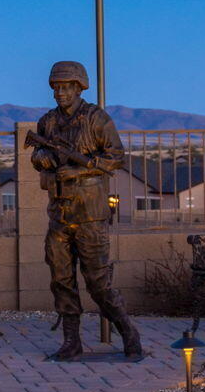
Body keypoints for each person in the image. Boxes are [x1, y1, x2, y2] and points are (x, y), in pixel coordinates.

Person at [27, 60, 143, 361]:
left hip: (90, 214)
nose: (60, 93)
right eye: (56, 87)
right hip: (60, 214)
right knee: (61, 280)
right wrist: (45, 159)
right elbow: (38, 154)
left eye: (66, 87)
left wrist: (78, 172)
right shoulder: (47, 122)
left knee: (98, 283)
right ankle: (71, 341)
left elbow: (115, 157)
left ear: (79, 88)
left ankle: (128, 332)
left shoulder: (96, 119)